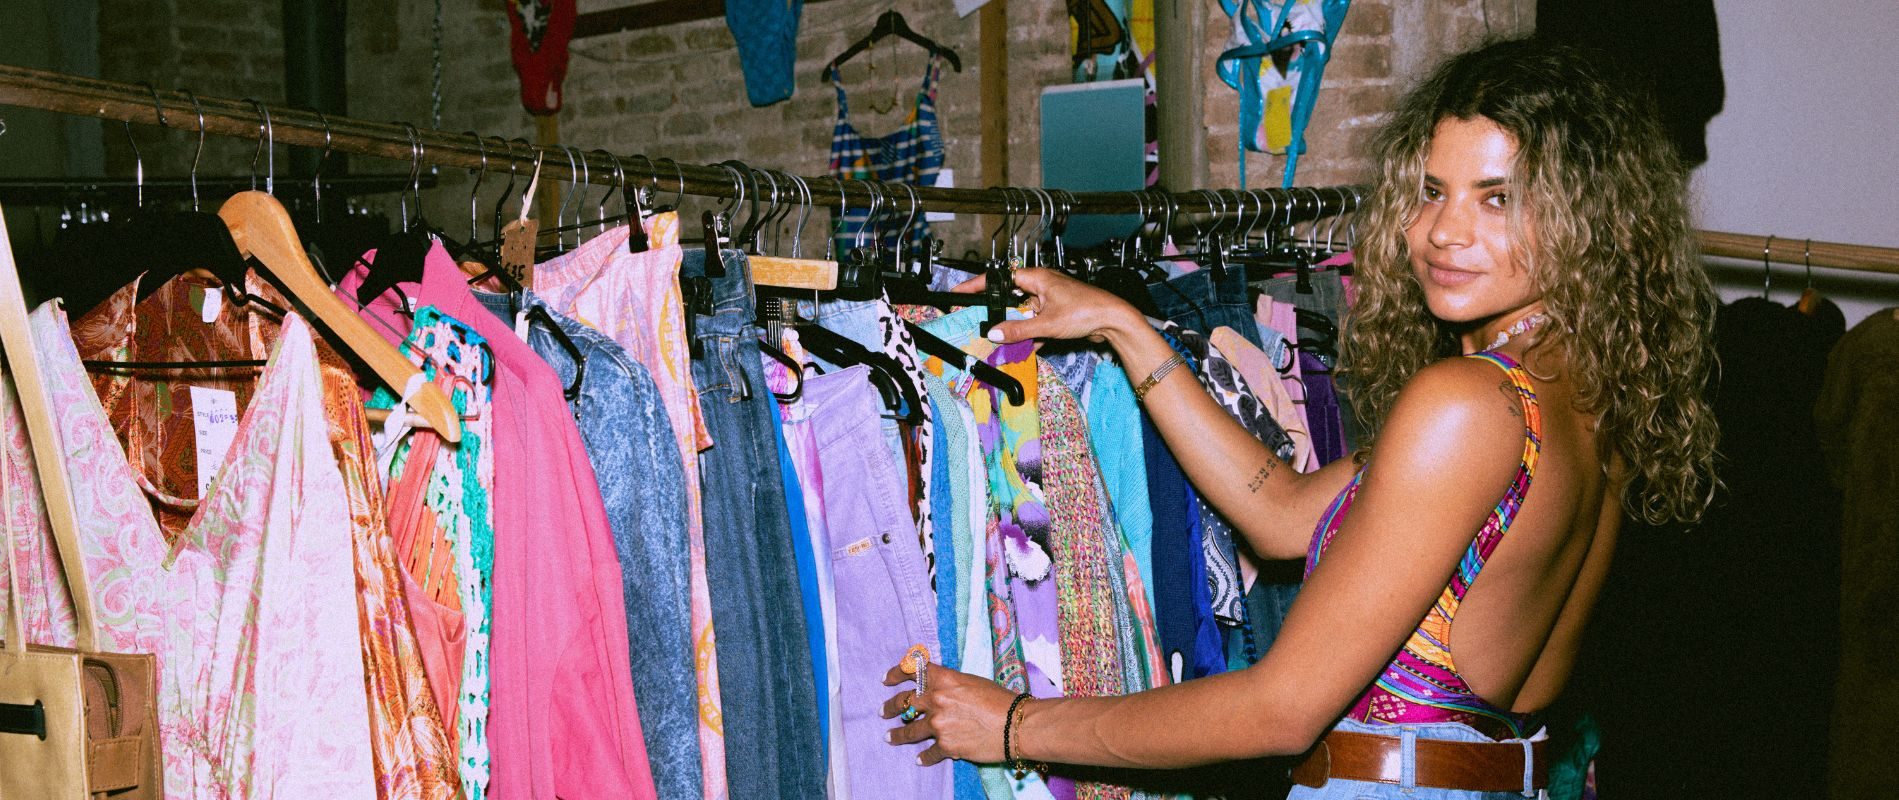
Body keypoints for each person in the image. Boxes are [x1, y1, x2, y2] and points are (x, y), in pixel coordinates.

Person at [879, 37, 1720, 798]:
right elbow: (1280, 515)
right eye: (1431, 191)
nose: (1439, 232)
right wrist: (1126, 330)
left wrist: (1015, 724)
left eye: (1496, 199)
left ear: (1585, 219)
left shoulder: (1466, 404)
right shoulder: (1581, 390)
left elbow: (1277, 709)